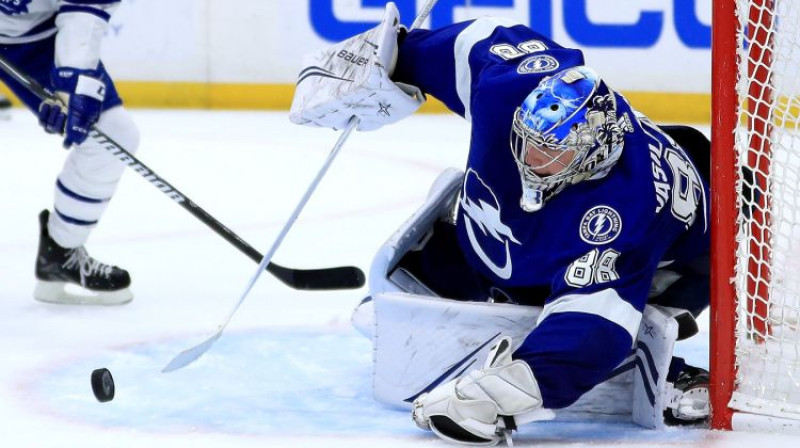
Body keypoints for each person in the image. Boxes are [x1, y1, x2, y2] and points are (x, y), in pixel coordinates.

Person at [290, 3, 710, 445]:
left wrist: (503, 393)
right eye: (529, 142)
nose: (530, 159)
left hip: (680, 261)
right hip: (508, 246)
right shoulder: (513, 90)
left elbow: (593, 329)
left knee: (599, 332)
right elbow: (479, 40)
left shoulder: (619, 216)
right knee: (400, 297)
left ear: (592, 158)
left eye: (550, 155)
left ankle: (665, 370)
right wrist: (394, 58)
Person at [1, 1, 136, 305]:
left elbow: (83, 18)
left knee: (114, 134)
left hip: (32, 38)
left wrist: (71, 88)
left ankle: (61, 253)